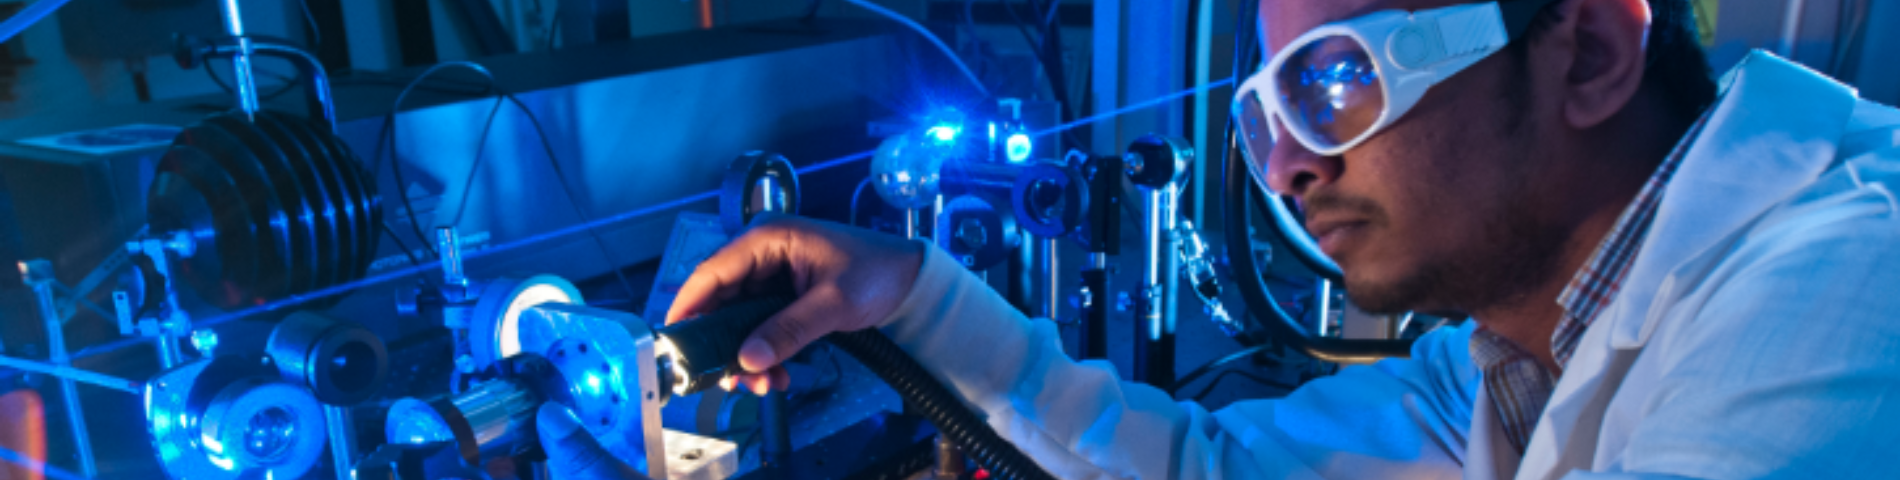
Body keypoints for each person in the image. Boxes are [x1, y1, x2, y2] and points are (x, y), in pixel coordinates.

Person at [551, 0, 1900, 477]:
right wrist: (910, 296)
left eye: (1334, 79)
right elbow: (1214, 470)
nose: (1289, 165)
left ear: (1589, 50)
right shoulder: (1512, 348)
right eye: (1261, 114)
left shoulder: (1847, 288)